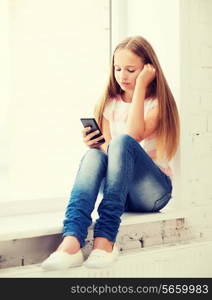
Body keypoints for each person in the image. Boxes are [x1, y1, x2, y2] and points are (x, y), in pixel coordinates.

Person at [41, 35, 180, 270]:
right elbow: (108, 152)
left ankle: (106, 238)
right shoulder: (109, 103)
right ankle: (72, 239)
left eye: (131, 70)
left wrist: (142, 86)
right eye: (117, 69)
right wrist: (95, 144)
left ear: (148, 69)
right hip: (121, 192)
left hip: (152, 193)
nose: (122, 76)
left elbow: (133, 135)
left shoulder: (156, 104)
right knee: (94, 156)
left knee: (123, 141)